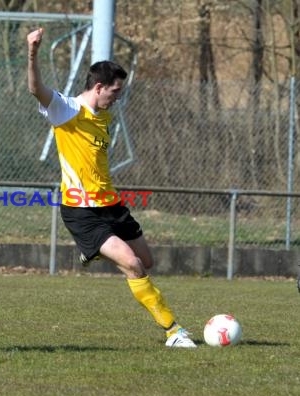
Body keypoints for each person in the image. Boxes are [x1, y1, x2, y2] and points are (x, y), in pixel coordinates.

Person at [27, 28, 196, 348]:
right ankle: (174, 331)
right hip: (81, 210)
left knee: (146, 262)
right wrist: (33, 51)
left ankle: (93, 251)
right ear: (99, 87)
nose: (118, 98)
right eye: (115, 92)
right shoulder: (68, 109)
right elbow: (35, 89)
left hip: (112, 205)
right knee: (131, 264)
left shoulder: (103, 117)